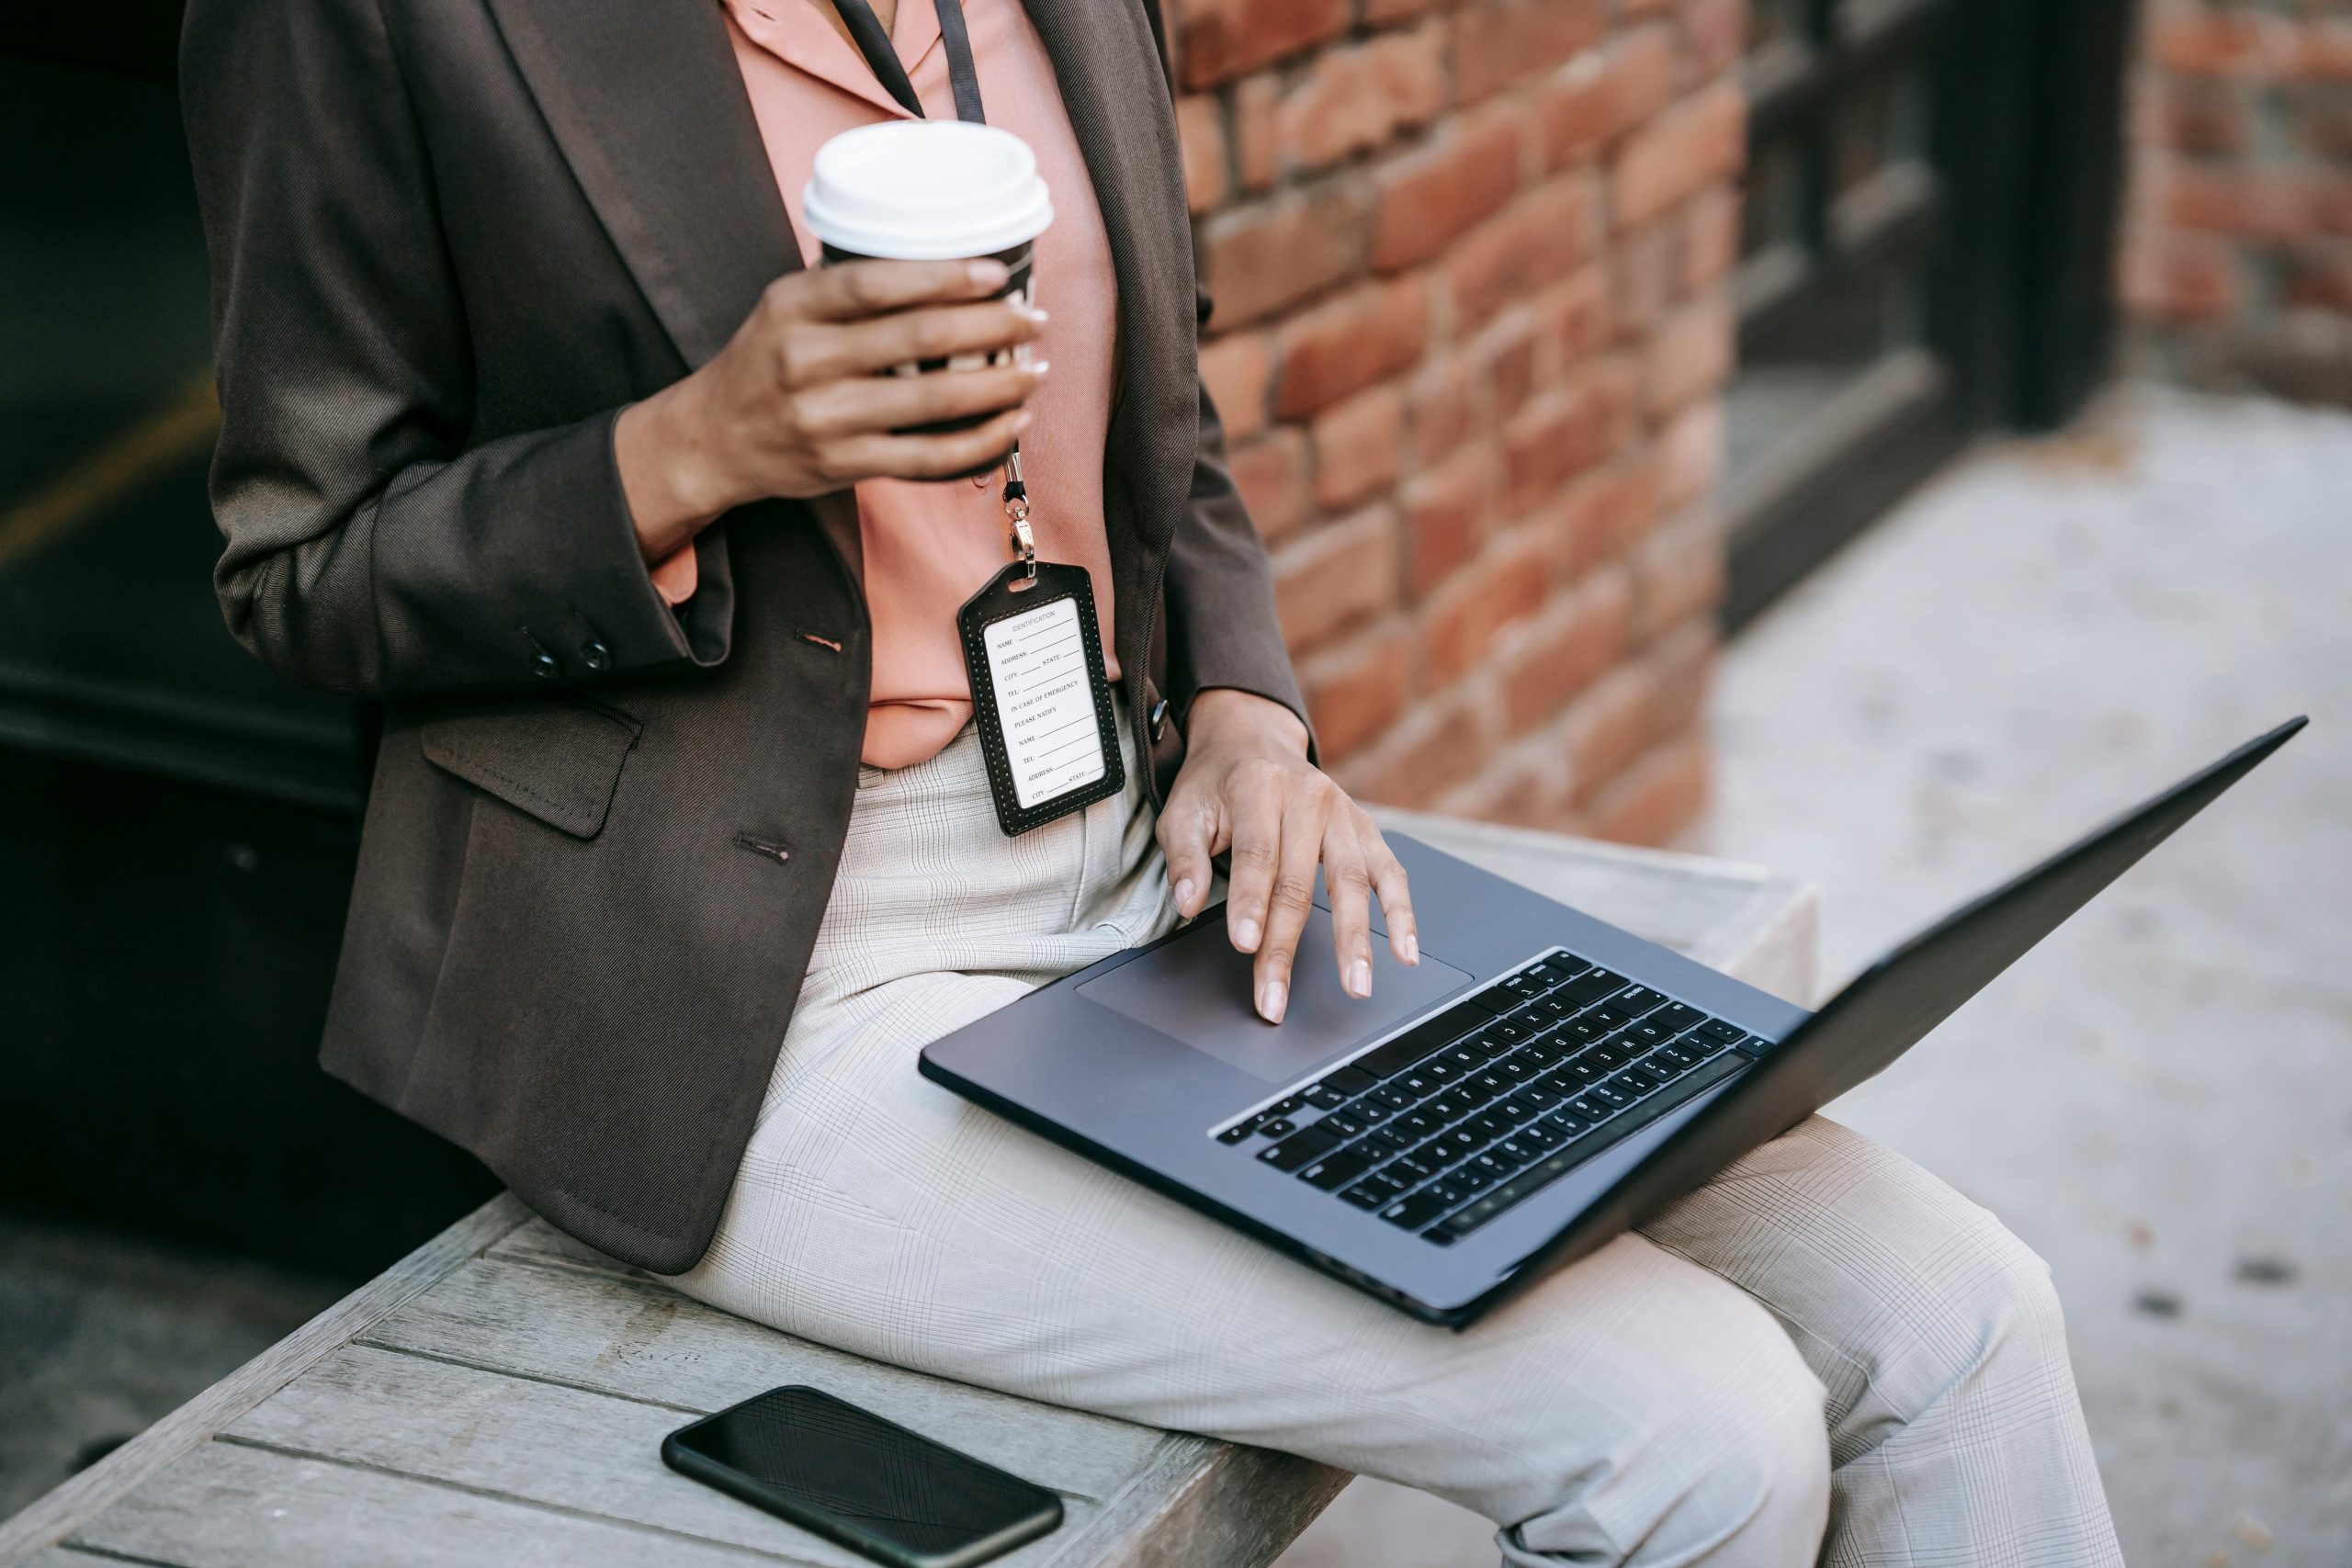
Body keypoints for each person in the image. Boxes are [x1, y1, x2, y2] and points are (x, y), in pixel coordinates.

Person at [179, 0, 2123, 1560]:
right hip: (754, 981)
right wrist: (694, 446)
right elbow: (301, 568)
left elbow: (1168, 442)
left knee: (1961, 1314)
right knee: (1693, 1433)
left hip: (1145, 876)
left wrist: (1248, 721)